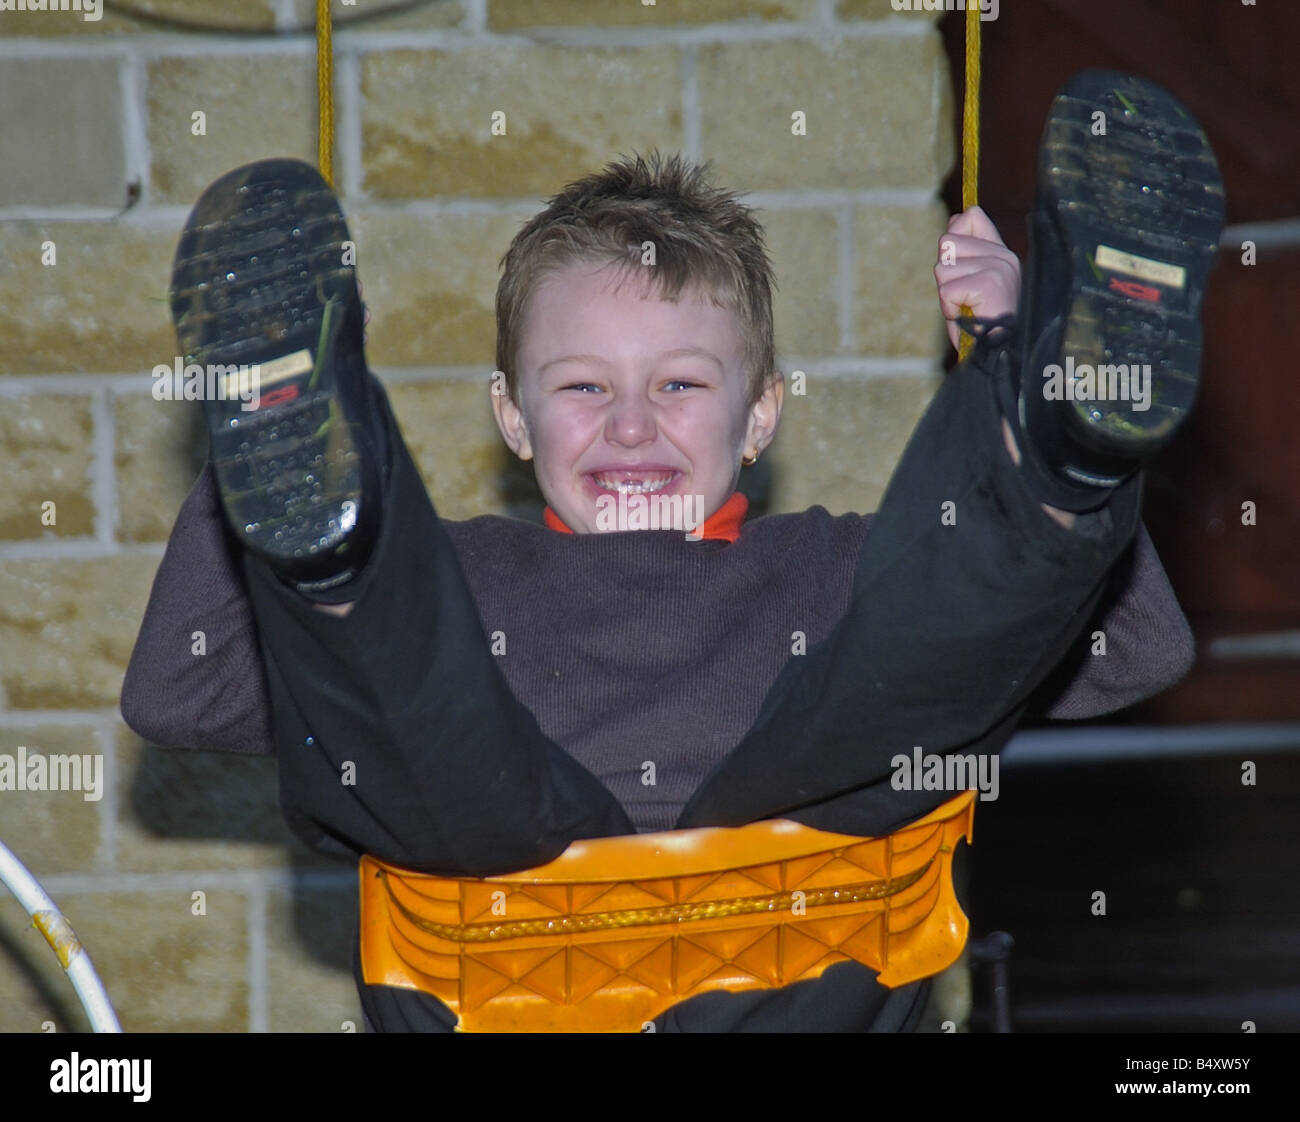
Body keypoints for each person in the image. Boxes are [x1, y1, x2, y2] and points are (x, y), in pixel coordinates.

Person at [120, 70, 1224, 1031]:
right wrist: (257, 457)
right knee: (429, 707)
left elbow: (1136, 652)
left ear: (760, 417)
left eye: (681, 385)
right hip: (501, 970)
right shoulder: (458, 583)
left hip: (799, 959)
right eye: (584, 386)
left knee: (896, 662)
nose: (633, 424)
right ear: (513, 419)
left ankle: (1057, 440)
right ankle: (328, 514)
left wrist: (1005, 347)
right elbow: (182, 688)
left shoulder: (836, 572)